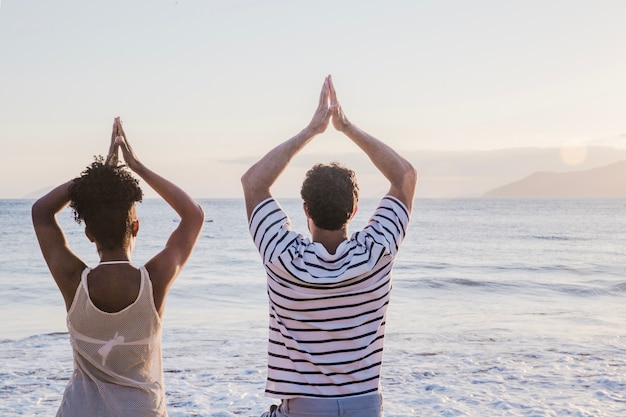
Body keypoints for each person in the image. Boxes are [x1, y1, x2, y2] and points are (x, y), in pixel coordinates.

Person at [241, 75, 418, 417]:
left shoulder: (282, 256)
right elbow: (405, 177)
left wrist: (311, 131)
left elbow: (253, 182)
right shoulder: (377, 252)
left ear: (305, 210)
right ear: (354, 210)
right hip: (366, 407)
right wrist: (347, 127)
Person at [32, 117, 205, 417]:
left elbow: (41, 212)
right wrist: (135, 166)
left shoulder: (74, 281)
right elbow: (193, 215)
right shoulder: (154, 280)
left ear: (89, 234)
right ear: (135, 227)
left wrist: (96, 178)